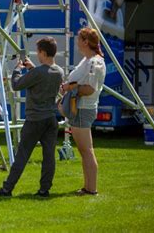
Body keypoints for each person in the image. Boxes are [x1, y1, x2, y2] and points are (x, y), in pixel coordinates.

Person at [0, 37, 64, 198]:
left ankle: (7, 189)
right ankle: (44, 190)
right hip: (51, 119)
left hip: (34, 120)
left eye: (38, 52)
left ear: (44, 53)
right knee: (49, 157)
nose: (37, 55)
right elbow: (43, 75)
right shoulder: (59, 71)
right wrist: (33, 68)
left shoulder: (38, 72)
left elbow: (17, 85)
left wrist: (18, 69)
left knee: (22, 155)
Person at [61, 27, 106, 196]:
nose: (77, 42)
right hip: (80, 107)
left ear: (86, 42)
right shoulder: (87, 60)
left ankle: (91, 188)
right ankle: (87, 187)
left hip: (84, 108)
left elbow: (90, 89)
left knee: (86, 150)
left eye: (79, 38)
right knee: (84, 150)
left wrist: (70, 88)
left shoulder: (95, 62)